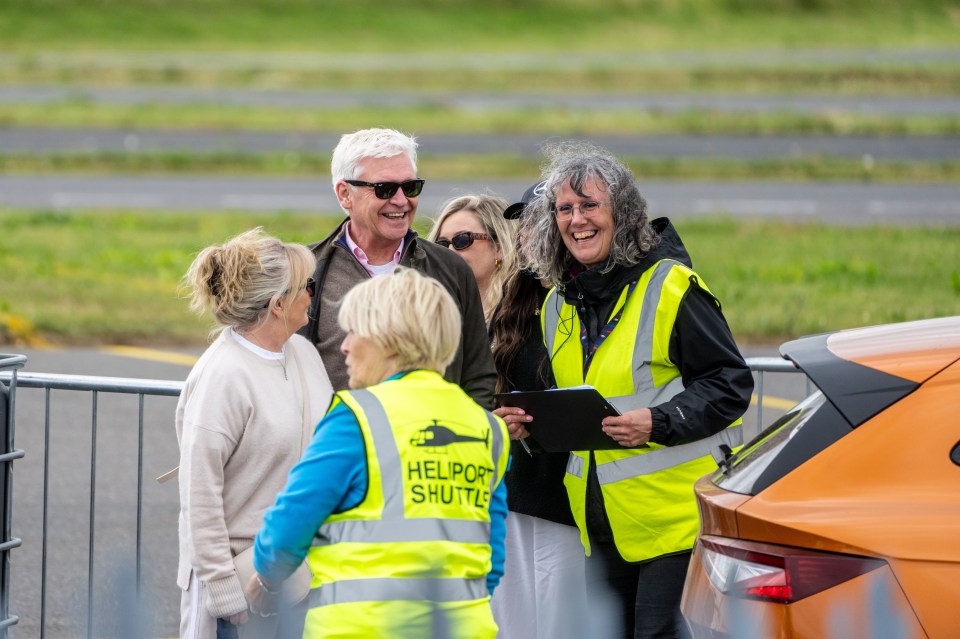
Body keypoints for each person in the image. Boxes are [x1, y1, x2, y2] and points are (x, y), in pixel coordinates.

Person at [517, 142, 755, 638]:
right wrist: (531, 427)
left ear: (622, 214)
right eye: (564, 208)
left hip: (673, 522)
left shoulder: (671, 286)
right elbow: (583, 407)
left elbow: (730, 383)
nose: (576, 219)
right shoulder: (557, 306)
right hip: (602, 527)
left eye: (590, 205)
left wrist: (661, 421)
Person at [246, 268, 511, 638]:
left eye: (355, 331)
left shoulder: (356, 416)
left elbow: (288, 527)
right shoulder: (488, 429)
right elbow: (492, 558)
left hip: (362, 627)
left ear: (389, 339)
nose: (345, 345)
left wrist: (269, 581)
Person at [176, 227, 334, 639]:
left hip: (301, 574)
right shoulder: (222, 376)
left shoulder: (305, 353)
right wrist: (222, 589)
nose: (313, 294)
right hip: (242, 590)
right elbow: (200, 494)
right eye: (308, 286)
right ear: (278, 304)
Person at [298, 127, 496, 409]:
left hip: (433, 448)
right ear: (345, 194)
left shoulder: (451, 269)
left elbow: (477, 375)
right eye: (385, 189)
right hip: (345, 447)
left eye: (411, 187)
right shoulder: (307, 270)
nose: (402, 201)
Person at [488, 182, 590, 639]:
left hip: (567, 500)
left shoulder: (590, 298)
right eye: (523, 225)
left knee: (558, 623)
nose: (526, 235)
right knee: (510, 624)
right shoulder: (516, 302)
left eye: (537, 222)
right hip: (516, 495)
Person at [427, 194, 518, 326]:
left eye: (462, 239)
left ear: (499, 248)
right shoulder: (429, 315)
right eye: (442, 244)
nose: (449, 252)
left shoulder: (527, 310)